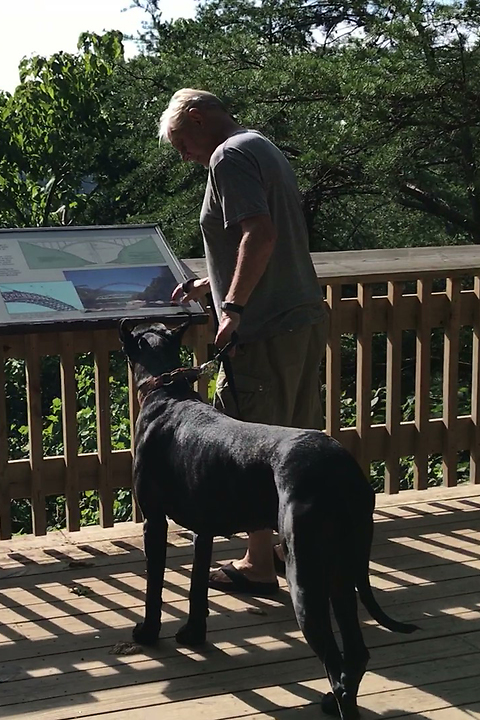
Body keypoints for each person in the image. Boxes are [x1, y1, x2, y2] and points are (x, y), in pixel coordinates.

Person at [159, 88, 331, 595]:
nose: (185, 156)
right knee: (295, 436)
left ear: (196, 117)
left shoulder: (228, 155)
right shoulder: (261, 145)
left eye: (182, 143)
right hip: (299, 316)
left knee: (252, 443)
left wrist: (231, 307)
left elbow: (259, 234)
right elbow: (261, 239)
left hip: (264, 326)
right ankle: (287, 545)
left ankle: (259, 564)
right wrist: (212, 284)